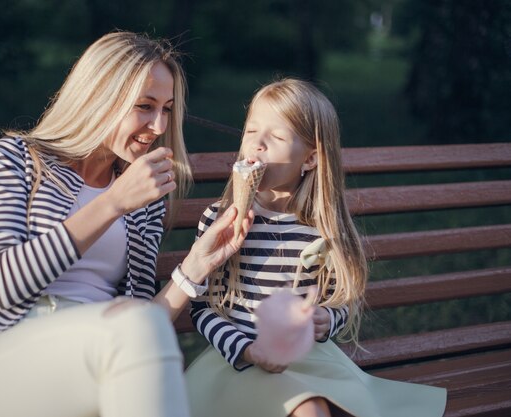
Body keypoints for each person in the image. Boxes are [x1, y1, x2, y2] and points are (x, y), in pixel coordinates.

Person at [0, 31, 253, 417]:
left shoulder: (142, 196)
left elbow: (144, 322)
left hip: (92, 361)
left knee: (138, 327)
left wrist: (196, 266)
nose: (157, 125)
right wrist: (112, 203)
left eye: (166, 109)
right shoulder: (16, 159)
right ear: (99, 97)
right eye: (144, 105)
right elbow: (2, 285)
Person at [185, 78, 447, 417]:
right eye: (251, 132)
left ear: (309, 160)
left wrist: (328, 319)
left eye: (276, 137)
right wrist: (248, 350)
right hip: (238, 361)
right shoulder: (219, 223)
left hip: (308, 361)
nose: (258, 144)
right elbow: (201, 309)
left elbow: (342, 299)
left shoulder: (320, 232)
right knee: (310, 410)